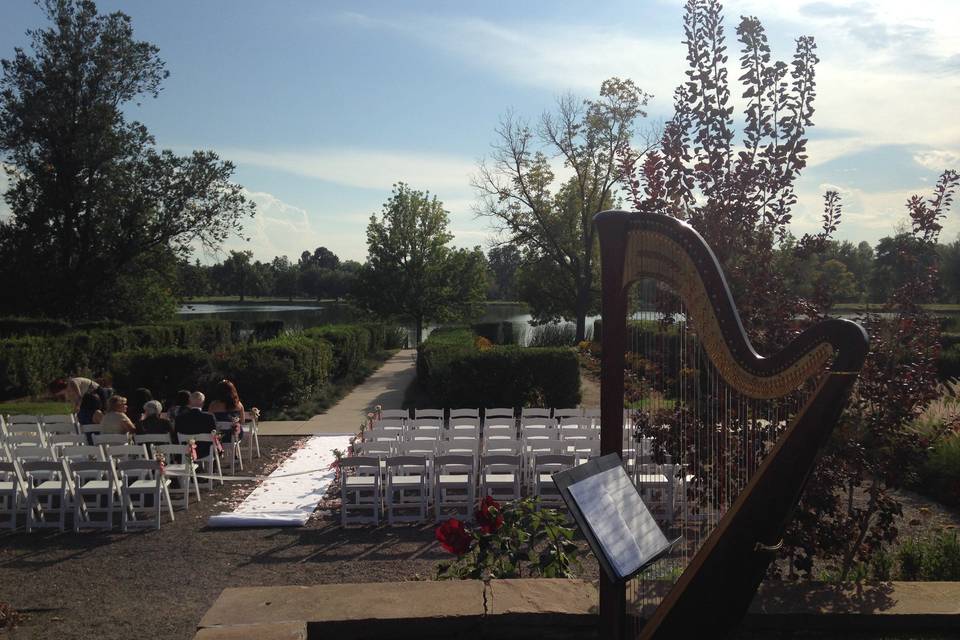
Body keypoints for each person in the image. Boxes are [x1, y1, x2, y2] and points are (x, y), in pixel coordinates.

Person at [174, 391, 217, 458]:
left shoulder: (179, 418)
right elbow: (214, 435)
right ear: (203, 403)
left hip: (186, 450)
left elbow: (176, 437)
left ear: (190, 403)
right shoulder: (209, 417)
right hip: (205, 452)